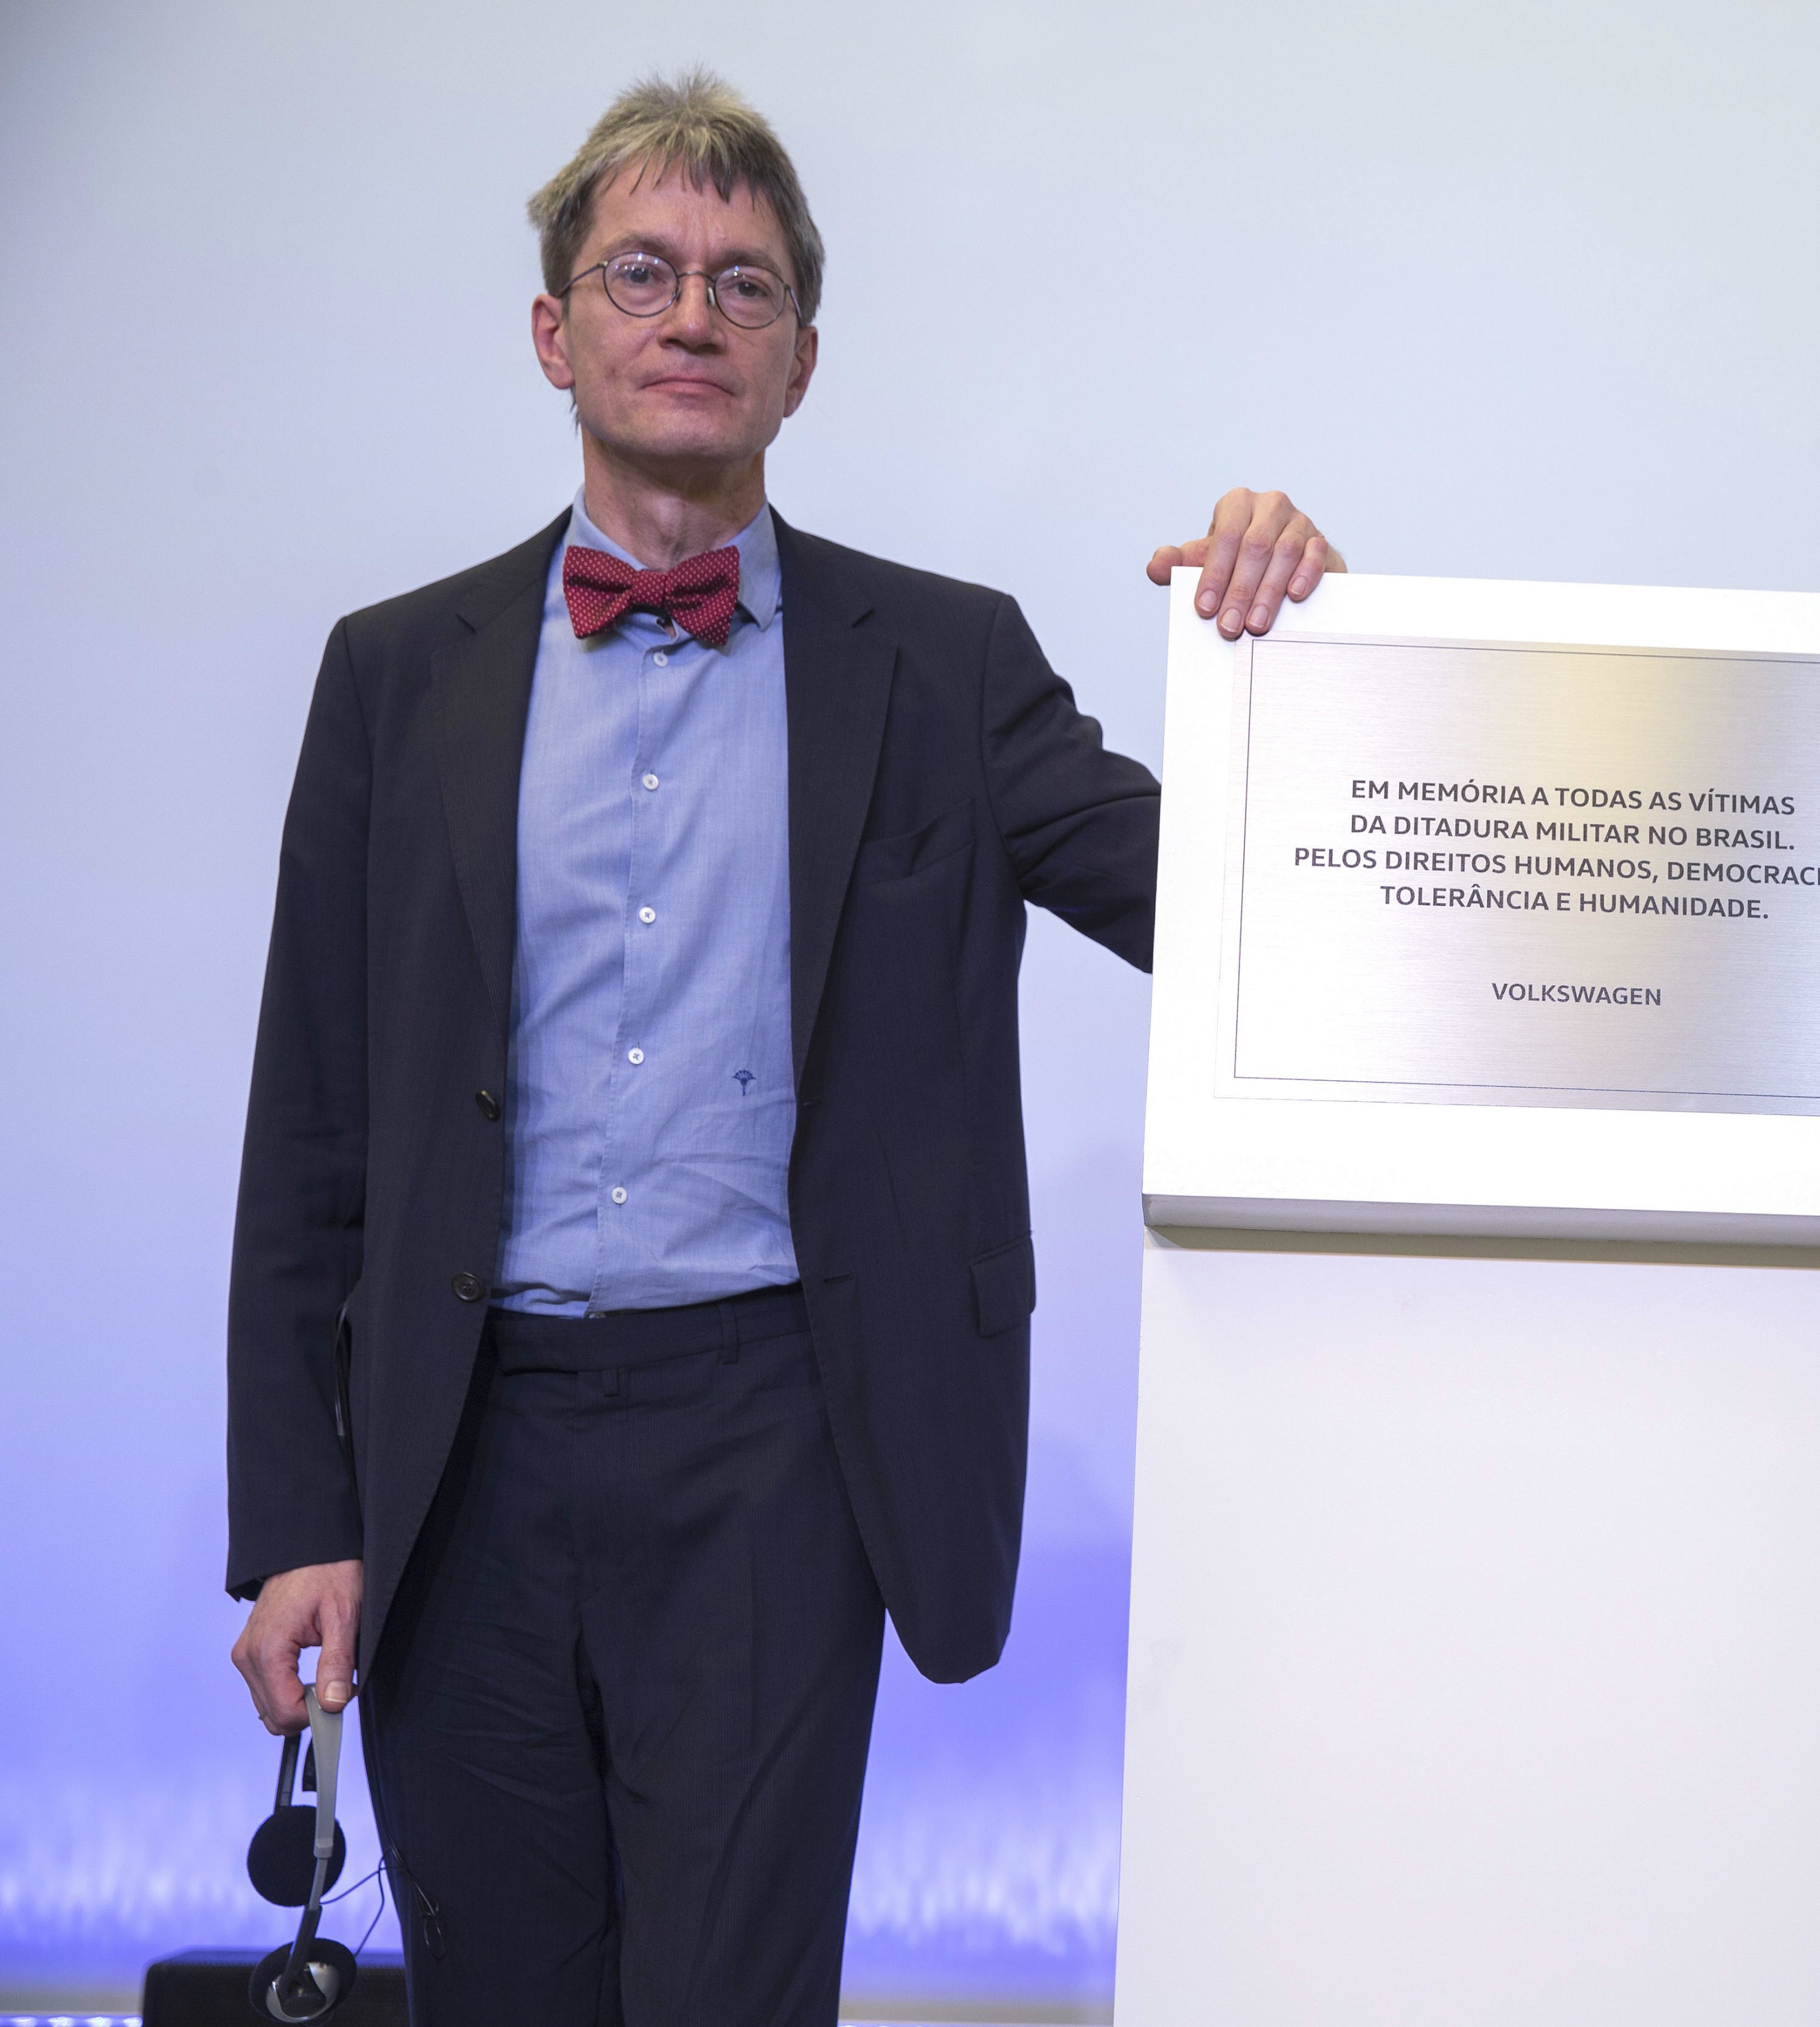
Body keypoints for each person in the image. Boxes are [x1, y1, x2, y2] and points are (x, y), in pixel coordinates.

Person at [222, 71, 1337, 2024]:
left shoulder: (948, 662)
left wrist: (1292, 661)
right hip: (461, 1440)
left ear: (803, 360)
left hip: (775, 1436)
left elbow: (1230, 918)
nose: (691, 315)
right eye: (642, 272)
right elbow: (310, 1118)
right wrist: (296, 1518)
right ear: (555, 332)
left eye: (745, 286)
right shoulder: (396, 673)